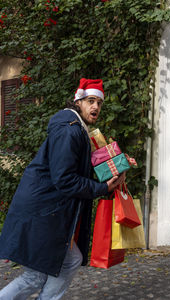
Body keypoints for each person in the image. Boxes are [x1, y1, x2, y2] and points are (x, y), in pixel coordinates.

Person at [0, 78, 125, 300]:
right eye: (91, 101)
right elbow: (65, 179)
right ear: (79, 102)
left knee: (64, 262)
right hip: (43, 212)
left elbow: (78, 172)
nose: (96, 107)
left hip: (47, 211)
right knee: (38, 275)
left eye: (99, 103)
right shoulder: (70, 131)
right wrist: (101, 187)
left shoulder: (77, 129)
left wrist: (115, 168)